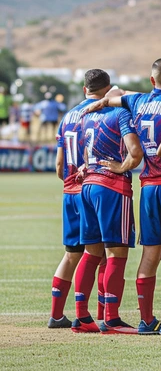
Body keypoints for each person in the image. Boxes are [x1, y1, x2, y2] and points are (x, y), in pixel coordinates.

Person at [85, 59, 161, 335]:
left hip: (148, 186)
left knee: (151, 253)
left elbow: (111, 98)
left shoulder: (136, 101)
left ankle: (147, 320)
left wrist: (95, 105)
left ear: (151, 81)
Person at [75, 75, 143, 335]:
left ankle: (81, 316)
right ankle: (111, 319)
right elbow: (135, 154)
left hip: (88, 185)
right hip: (112, 188)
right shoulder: (120, 114)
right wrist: (123, 166)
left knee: (91, 253)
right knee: (116, 253)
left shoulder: (86, 115)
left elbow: (85, 153)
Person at [49, 69, 107, 329]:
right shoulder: (100, 114)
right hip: (90, 190)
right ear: (106, 90)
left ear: (85, 89)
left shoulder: (68, 116)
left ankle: (57, 315)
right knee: (103, 254)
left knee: (72, 253)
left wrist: (69, 183)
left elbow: (59, 164)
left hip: (69, 191)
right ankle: (98, 314)